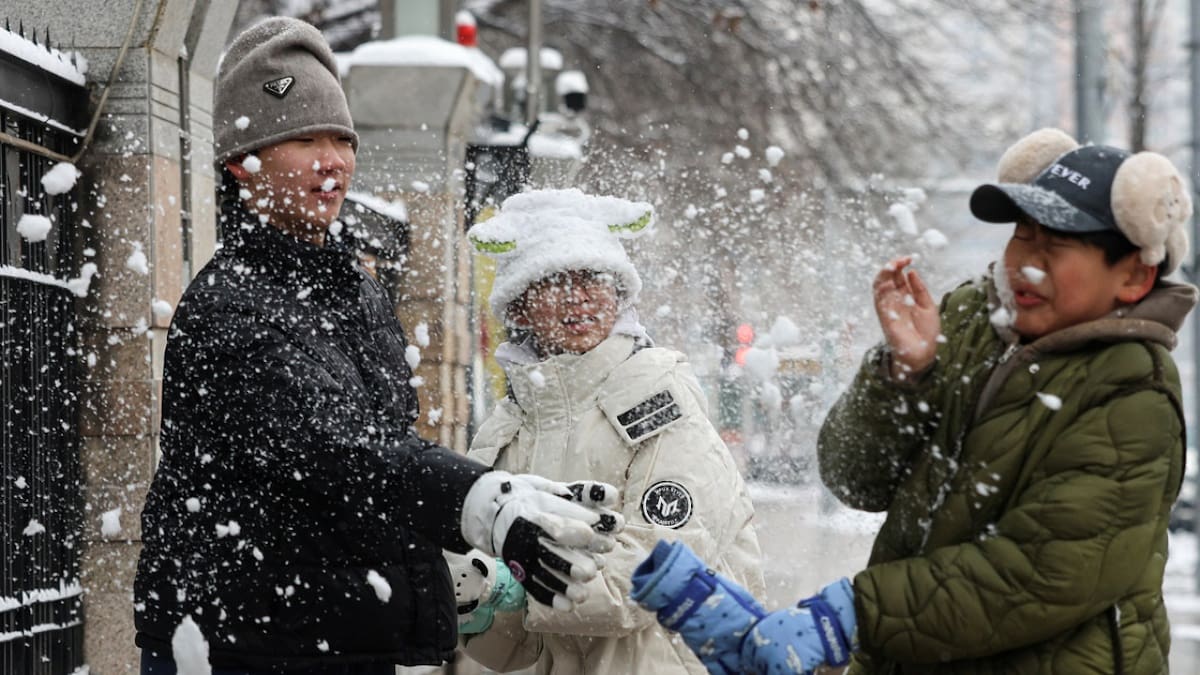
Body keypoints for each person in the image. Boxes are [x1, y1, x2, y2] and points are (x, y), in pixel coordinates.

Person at [133, 19, 623, 675]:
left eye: (341, 138)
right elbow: (342, 451)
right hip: (246, 649)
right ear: (240, 163)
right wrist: (480, 502)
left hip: (329, 643)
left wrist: (459, 543)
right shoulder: (234, 307)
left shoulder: (353, 289)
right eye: (302, 138)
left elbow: (377, 460)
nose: (331, 158)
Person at [629, 128, 1197, 675]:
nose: (1028, 260)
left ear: (1133, 275)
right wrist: (904, 374)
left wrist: (855, 614)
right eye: (1024, 234)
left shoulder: (1133, 390)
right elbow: (854, 479)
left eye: (1059, 246)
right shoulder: (970, 320)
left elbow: (1044, 572)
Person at [446, 188, 764, 674]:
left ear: (620, 294)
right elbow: (509, 648)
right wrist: (474, 600)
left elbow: (649, 580)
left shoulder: (658, 397)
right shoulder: (506, 429)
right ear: (519, 308)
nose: (578, 296)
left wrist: (514, 582)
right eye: (552, 280)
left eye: (594, 277)